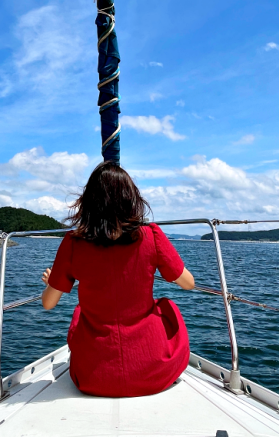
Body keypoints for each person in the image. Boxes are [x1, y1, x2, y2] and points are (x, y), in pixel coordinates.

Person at [40, 161, 194, 398]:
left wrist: (53, 282)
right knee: (167, 307)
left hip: (92, 377)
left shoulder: (73, 243)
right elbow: (188, 283)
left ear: (89, 201)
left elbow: (48, 304)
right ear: (130, 198)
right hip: (151, 372)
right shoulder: (151, 235)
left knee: (80, 312)